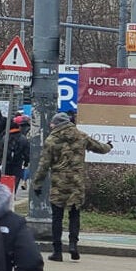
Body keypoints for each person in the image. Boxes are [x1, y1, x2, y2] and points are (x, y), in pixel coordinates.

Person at [33, 112, 112, 262]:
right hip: (77, 182)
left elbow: (44, 165)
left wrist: (37, 184)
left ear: (56, 124)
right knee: (74, 215)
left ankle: (57, 251)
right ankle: (73, 245)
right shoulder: (81, 136)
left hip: (59, 183)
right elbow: (99, 147)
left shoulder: (51, 140)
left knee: (57, 217)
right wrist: (109, 146)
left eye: (52, 123)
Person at [4, 119, 30, 191]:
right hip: (18, 163)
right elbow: (27, 152)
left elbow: (1, 148)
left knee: (6, 180)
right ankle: (13, 194)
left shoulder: (5, 137)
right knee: (15, 180)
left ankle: (7, 194)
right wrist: (26, 162)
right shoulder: (23, 138)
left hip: (6, 163)